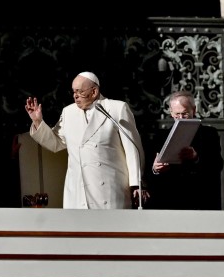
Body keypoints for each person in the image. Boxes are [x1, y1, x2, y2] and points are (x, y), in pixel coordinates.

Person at [23, 71, 146, 209]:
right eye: (73, 91)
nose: (75, 96)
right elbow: (56, 143)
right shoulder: (68, 112)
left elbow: (133, 149)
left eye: (80, 91)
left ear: (94, 91)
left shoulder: (117, 109)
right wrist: (38, 122)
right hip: (78, 192)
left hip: (109, 191)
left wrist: (136, 184)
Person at [148, 90, 224, 210]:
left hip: (200, 200)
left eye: (185, 114)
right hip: (170, 201)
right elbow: (148, 171)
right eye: (177, 114)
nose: (180, 118)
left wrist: (196, 158)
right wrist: (155, 169)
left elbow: (217, 165)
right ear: (171, 113)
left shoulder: (209, 134)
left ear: (193, 110)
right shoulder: (160, 137)